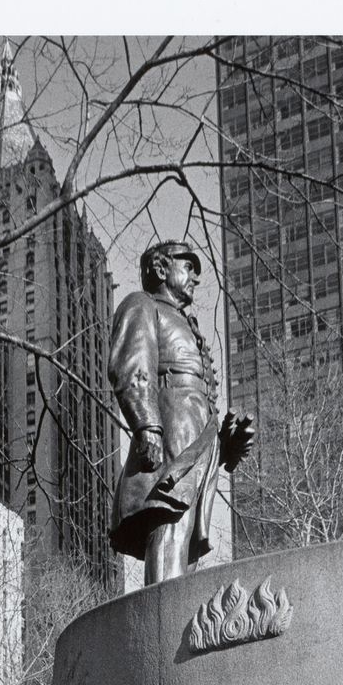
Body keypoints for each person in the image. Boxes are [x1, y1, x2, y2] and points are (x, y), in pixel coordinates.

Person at [107, 240, 254, 584]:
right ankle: (161, 630)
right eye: (187, 266)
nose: (195, 278)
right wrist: (147, 427)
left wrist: (224, 445)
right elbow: (133, 368)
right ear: (160, 269)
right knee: (169, 527)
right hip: (170, 436)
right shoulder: (142, 305)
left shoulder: (186, 322)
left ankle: (173, 625)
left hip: (196, 438)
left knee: (185, 542)